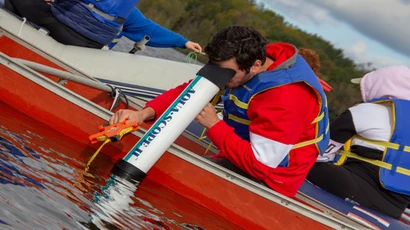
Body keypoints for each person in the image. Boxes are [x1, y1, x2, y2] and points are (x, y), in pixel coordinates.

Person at [109, 25, 330, 197]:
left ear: (255, 65)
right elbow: (191, 91)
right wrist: (142, 114)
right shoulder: (241, 65)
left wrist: (214, 125)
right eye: (215, 68)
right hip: (238, 153)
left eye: (225, 73)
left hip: (271, 179)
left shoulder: (286, 97)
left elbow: (260, 166)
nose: (219, 78)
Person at [307, 65, 410, 219]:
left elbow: (320, 152)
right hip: (395, 208)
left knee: (301, 158)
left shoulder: (366, 110)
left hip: (354, 189)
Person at [3, 0, 202, 52]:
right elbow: (150, 30)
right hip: (94, 46)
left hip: (66, 30)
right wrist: (183, 42)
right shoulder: (128, 11)